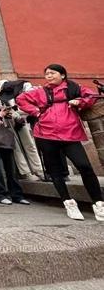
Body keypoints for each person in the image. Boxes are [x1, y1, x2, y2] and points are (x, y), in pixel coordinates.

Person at [17, 64, 104, 221]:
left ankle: (98, 203)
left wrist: (80, 101)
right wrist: (36, 112)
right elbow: (21, 99)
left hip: (70, 134)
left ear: (62, 75)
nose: (49, 76)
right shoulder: (40, 92)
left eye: (53, 73)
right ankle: (68, 202)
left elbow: (91, 96)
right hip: (45, 134)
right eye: (47, 74)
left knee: (85, 167)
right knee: (55, 171)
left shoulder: (73, 88)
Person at [0, 79, 44, 180]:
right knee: (17, 150)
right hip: (8, 125)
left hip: (22, 122)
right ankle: (26, 172)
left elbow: (25, 108)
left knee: (30, 145)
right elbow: (2, 112)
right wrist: (14, 115)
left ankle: (39, 170)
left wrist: (17, 115)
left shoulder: (16, 95)